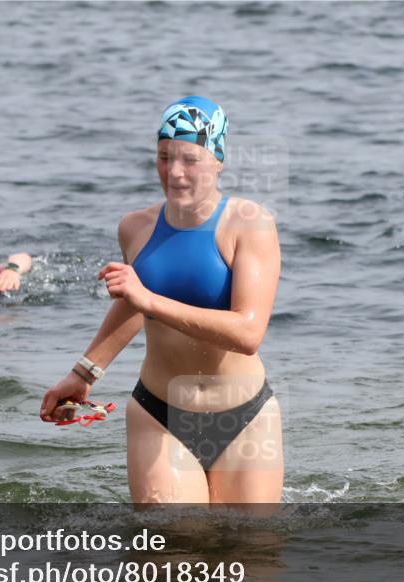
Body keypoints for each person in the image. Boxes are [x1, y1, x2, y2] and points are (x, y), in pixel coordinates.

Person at [40, 96, 283, 504]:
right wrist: (83, 375)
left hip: (246, 418)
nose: (174, 172)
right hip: (160, 415)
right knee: (172, 552)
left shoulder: (249, 224)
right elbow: (133, 306)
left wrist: (149, 299)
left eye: (190, 159)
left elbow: (247, 332)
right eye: (164, 157)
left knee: (251, 556)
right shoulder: (135, 228)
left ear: (218, 159)